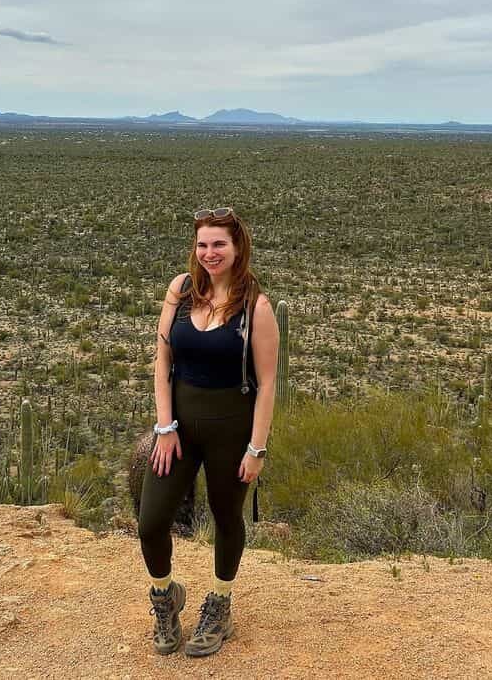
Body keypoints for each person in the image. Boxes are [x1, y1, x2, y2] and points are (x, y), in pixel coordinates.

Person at [137, 206, 279, 658]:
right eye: (202, 244)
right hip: (178, 428)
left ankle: (219, 604)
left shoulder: (256, 307)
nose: (209, 253)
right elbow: (162, 360)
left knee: (226, 516)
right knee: (151, 521)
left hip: (231, 429)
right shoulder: (180, 290)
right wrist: (164, 426)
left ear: (238, 248)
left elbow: (268, 383)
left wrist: (256, 448)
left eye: (219, 244)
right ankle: (165, 597)